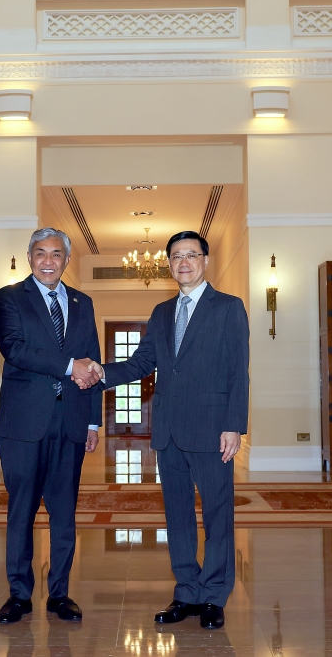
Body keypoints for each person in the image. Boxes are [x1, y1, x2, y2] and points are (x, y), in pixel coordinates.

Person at [86, 230, 249, 630]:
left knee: (216, 514)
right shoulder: (161, 313)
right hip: (169, 432)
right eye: (176, 256)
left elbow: (237, 371)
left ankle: (213, 596)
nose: (184, 262)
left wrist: (234, 426)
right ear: (170, 265)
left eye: (191, 255)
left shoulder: (229, 308)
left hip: (213, 430)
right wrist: (100, 372)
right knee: (177, 516)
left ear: (205, 261)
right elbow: (143, 362)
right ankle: (187, 593)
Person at [0, 227, 103, 624]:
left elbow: (92, 357)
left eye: (56, 254)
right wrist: (70, 366)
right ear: (29, 257)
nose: (48, 261)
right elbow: (15, 349)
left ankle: (60, 593)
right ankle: (19, 595)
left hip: (71, 422)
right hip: (23, 424)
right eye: (40, 253)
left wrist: (93, 421)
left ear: (66, 260)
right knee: (21, 511)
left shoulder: (83, 302)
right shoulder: (9, 298)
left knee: (64, 512)